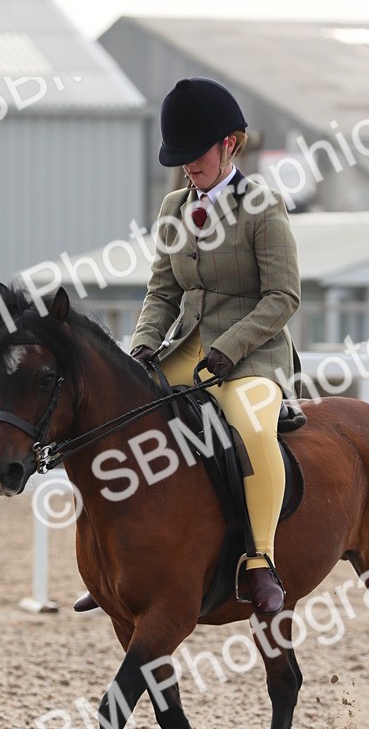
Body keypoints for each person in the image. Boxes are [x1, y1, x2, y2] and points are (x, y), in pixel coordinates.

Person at [74, 77, 301, 616]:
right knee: (119, 417)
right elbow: (163, 291)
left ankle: (260, 561)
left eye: (196, 155)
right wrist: (142, 347)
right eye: (180, 157)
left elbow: (283, 296)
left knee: (251, 432)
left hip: (253, 356)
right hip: (188, 349)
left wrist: (231, 347)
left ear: (230, 144)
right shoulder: (174, 207)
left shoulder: (263, 206)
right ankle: (119, 564)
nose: (187, 167)